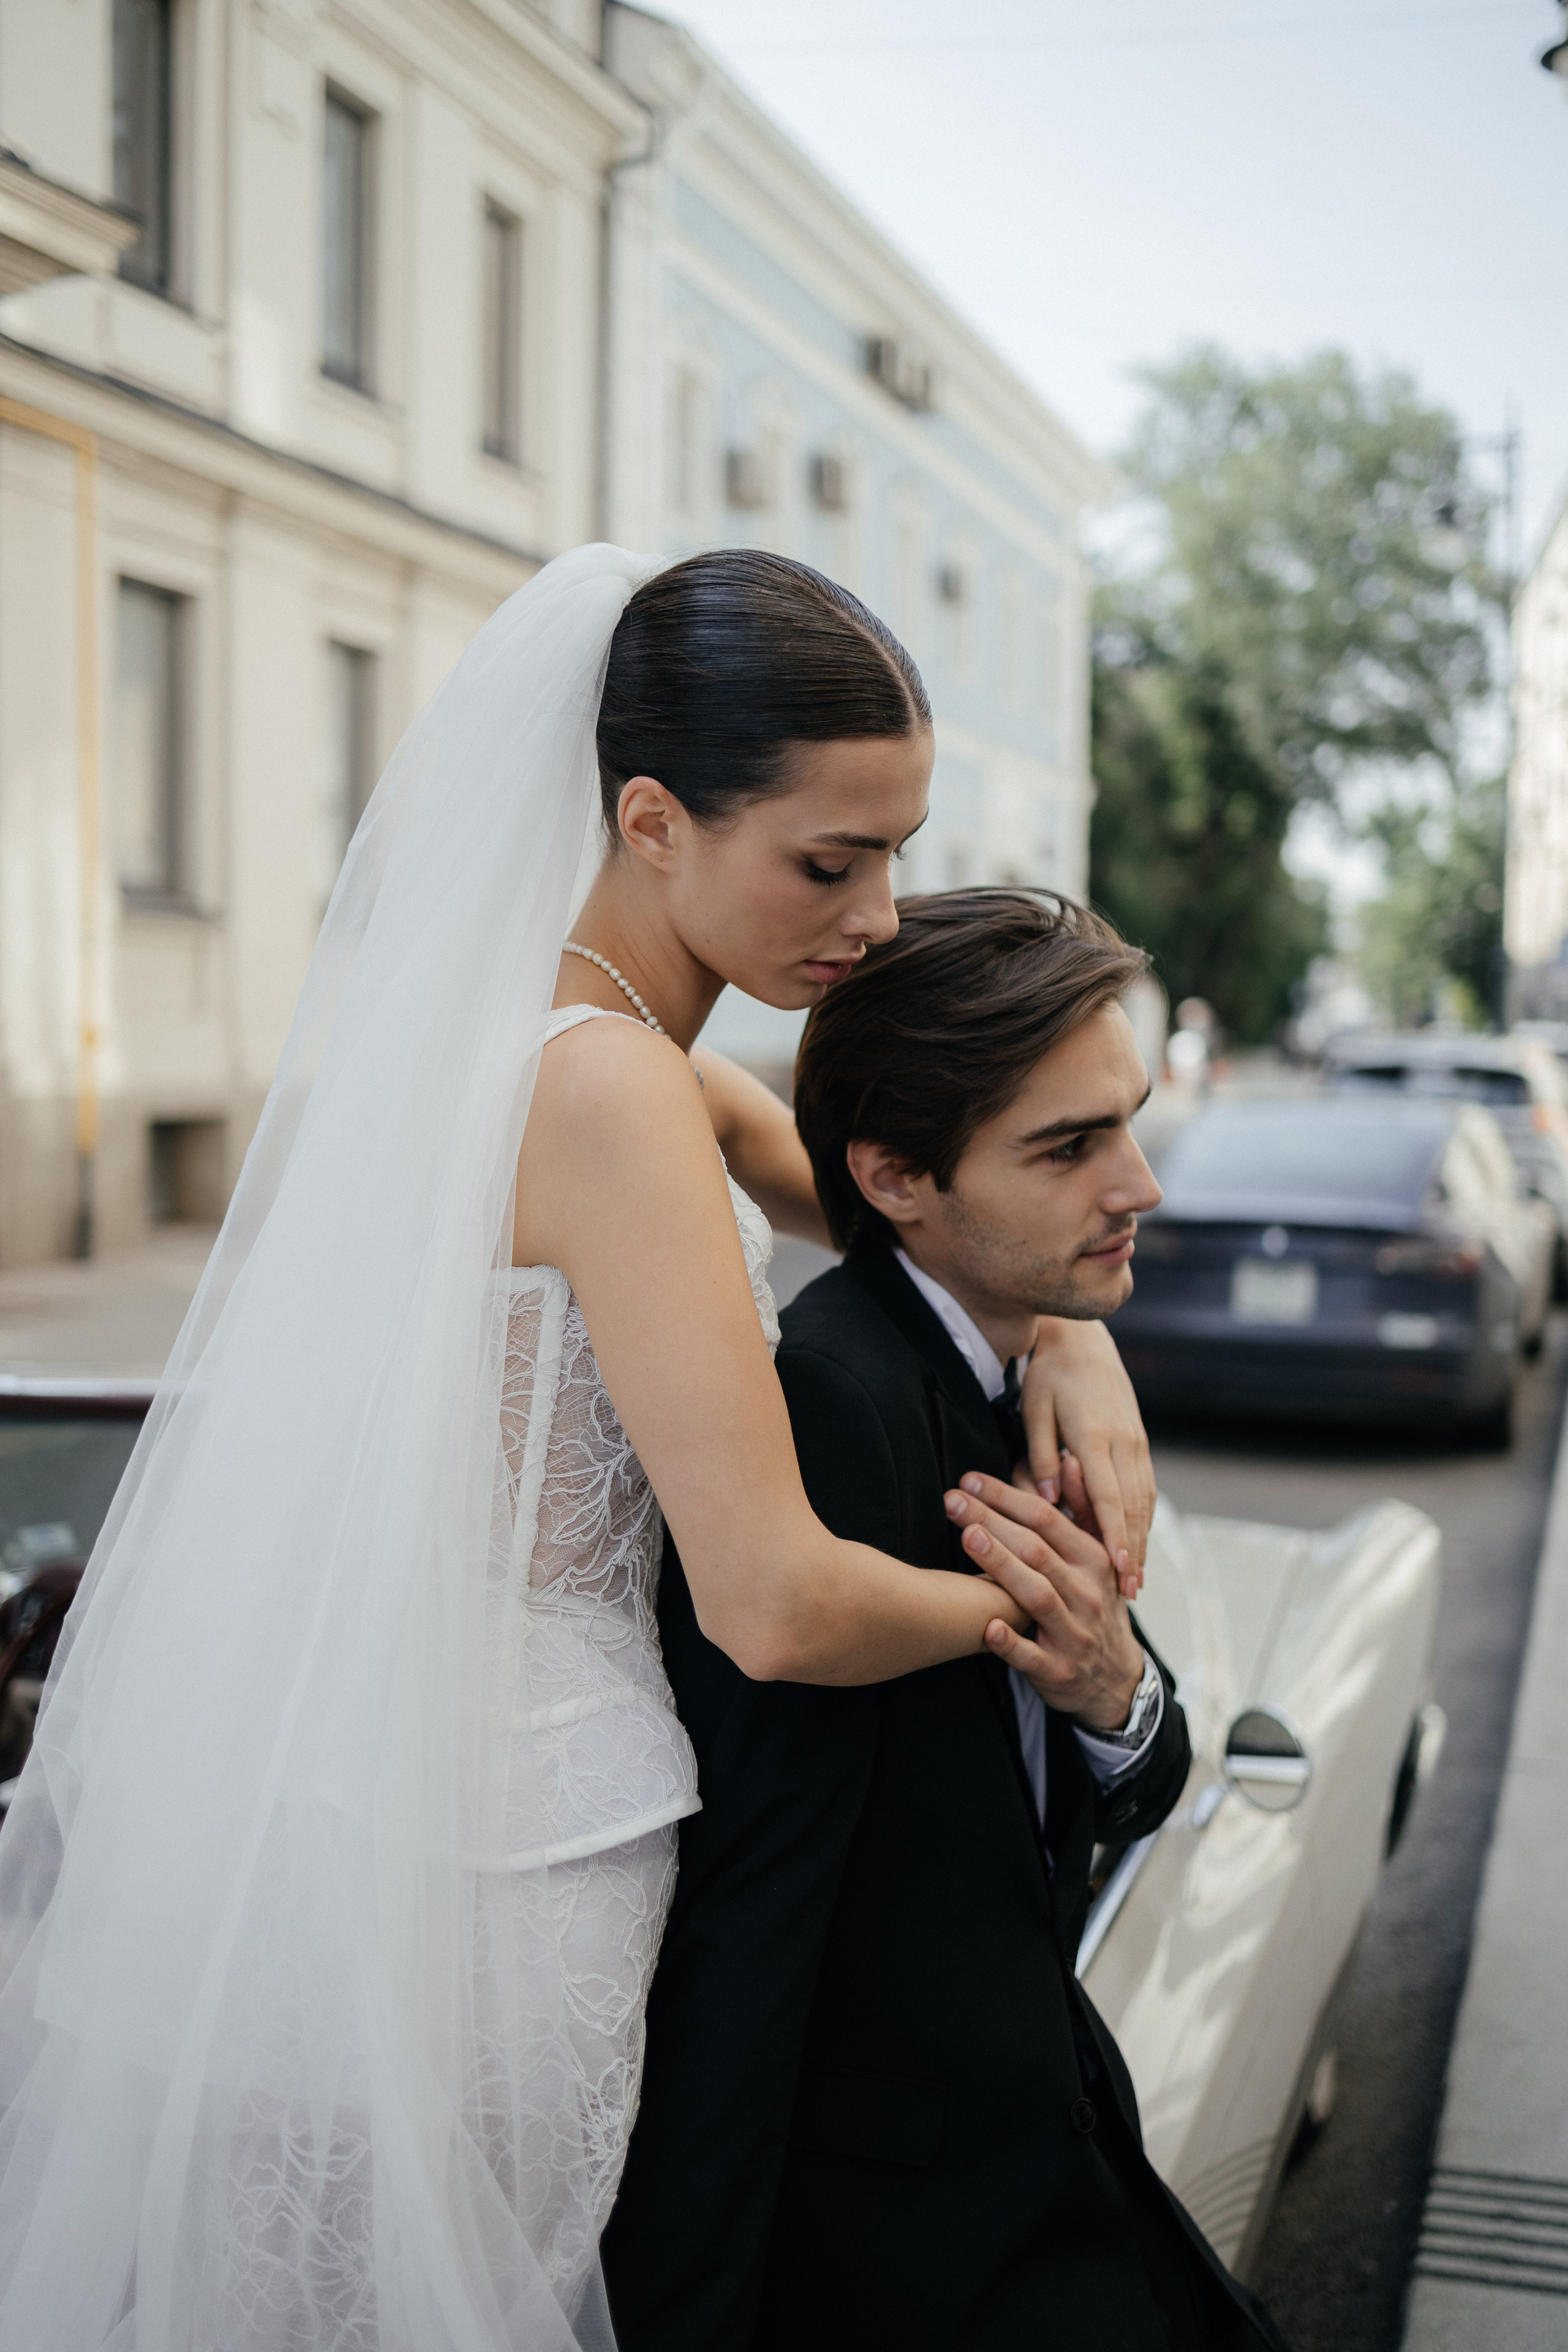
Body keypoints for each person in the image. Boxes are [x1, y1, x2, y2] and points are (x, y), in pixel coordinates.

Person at [0, 549, 1157, 2351]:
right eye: (827, 861)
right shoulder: (614, 1090)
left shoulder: (556, 1041)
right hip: (518, 1855)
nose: (872, 917)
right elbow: (773, 1602)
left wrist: (1072, 1327)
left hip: (369, 1803)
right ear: (651, 817)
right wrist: (1050, 1616)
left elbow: (873, 1198)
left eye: (897, 853)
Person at [602, 889, 1289, 2352]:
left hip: (1057, 2144)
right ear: (895, 1177)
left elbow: (1130, 1771)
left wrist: (1114, 1692)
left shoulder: (1019, 1361)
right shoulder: (833, 1415)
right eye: (1068, 1147)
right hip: (903, 2251)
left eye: (1128, 1122)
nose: (1141, 1185)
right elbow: (749, 1919)